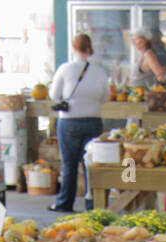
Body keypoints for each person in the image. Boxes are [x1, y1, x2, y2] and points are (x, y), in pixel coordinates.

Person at [47, 33, 110, 213]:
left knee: (69, 165)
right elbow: (105, 96)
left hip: (69, 122)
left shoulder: (65, 69)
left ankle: (65, 203)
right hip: (93, 121)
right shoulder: (99, 71)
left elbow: (54, 95)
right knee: (90, 164)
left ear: (74, 48)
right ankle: (93, 205)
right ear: (90, 49)